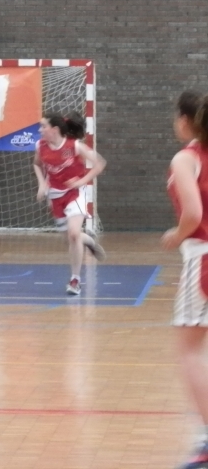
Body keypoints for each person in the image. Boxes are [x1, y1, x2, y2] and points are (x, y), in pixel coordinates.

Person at [162, 90, 208, 469]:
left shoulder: (186, 158)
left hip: (203, 257)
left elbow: (193, 214)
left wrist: (176, 236)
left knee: (190, 351)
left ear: (186, 120)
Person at [33, 112, 107, 296]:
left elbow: (99, 163)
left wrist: (81, 182)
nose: (40, 130)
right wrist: (42, 183)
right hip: (55, 196)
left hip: (75, 194)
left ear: (54, 129)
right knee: (71, 239)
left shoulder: (74, 146)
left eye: (43, 126)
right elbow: (36, 164)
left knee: (74, 234)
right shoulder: (40, 146)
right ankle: (87, 240)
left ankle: (75, 280)